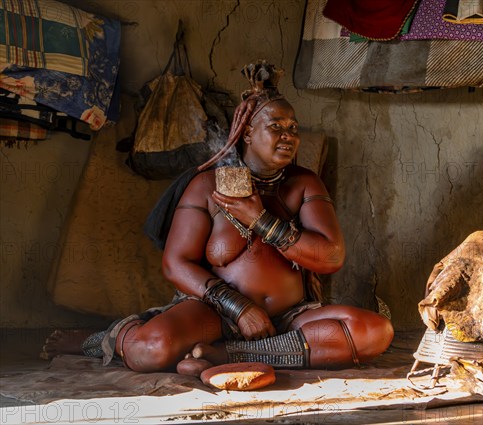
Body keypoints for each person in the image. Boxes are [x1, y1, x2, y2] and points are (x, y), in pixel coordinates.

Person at [42, 62, 394, 375]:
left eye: (293, 127)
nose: (289, 136)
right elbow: (176, 264)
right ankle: (99, 340)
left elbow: (331, 257)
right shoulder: (207, 184)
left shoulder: (303, 183)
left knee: (375, 332)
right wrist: (237, 307)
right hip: (215, 314)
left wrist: (261, 220)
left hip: (290, 319)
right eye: (276, 127)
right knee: (150, 349)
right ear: (247, 133)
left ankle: (221, 355)